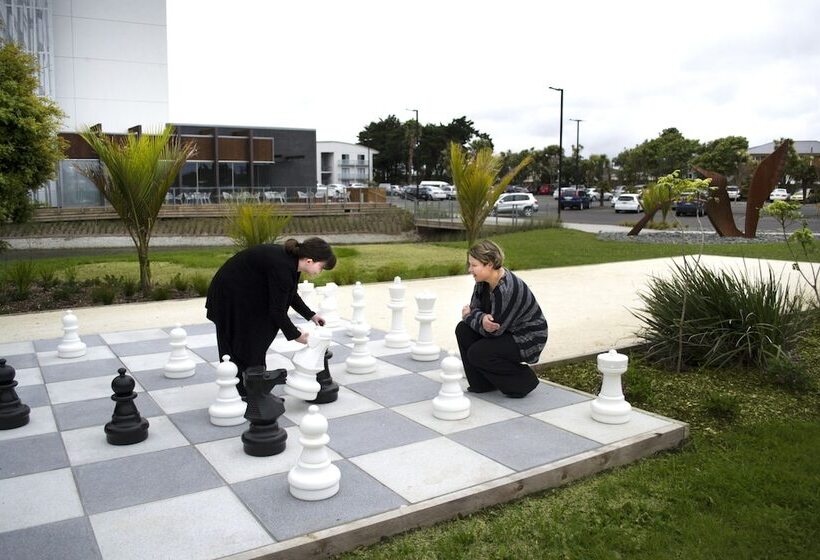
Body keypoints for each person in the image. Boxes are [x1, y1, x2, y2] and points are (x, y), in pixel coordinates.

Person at [205, 237, 336, 396]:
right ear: (309, 261)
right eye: (321, 267)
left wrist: (311, 315)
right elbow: (277, 311)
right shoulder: (284, 268)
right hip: (228, 297)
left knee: (257, 337)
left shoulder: (292, 264)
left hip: (243, 293)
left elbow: (290, 294)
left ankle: (253, 386)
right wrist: (296, 335)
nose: (320, 271)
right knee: (242, 341)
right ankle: (244, 392)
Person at [455, 240, 547, 397]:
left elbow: (492, 331)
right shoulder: (482, 282)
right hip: (507, 331)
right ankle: (481, 384)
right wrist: (481, 317)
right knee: (463, 329)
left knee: (478, 353)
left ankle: (524, 382)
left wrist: (470, 316)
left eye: (474, 265)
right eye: (470, 265)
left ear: (489, 264)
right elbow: (474, 308)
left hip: (527, 338)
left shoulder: (506, 290)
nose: (470, 270)